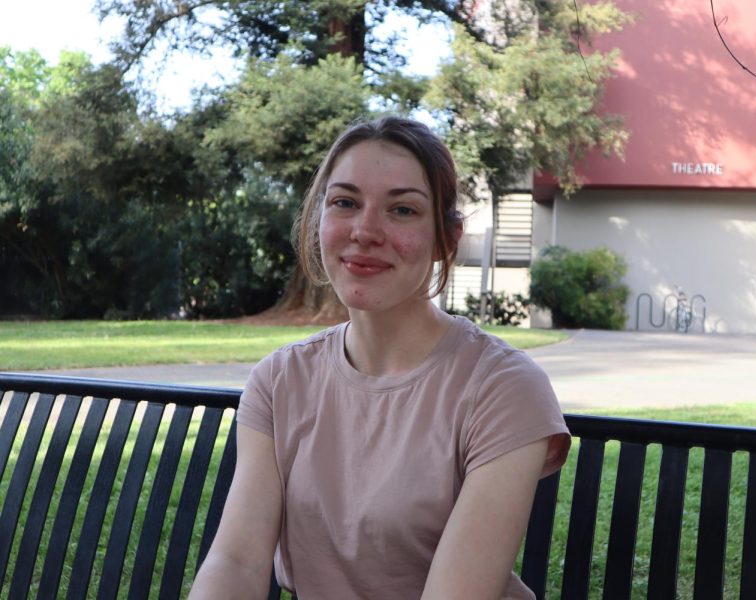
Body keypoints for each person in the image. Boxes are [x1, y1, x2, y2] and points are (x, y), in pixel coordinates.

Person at [189, 116, 571, 599]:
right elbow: (237, 561)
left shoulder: (503, 387)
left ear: (445, 239)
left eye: (403, 210)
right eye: (345, 203)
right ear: (318, 221)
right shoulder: (279, 381)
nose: (365, 231)